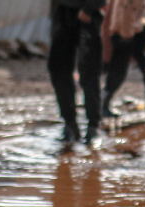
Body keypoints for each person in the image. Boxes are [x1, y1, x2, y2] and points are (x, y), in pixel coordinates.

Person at [49, 0, 108, 144]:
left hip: (88, 13)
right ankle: (70, 124)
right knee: (58, 69)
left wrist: (88, 9)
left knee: (89, 71)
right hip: (64, 12)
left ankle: (93, 127)